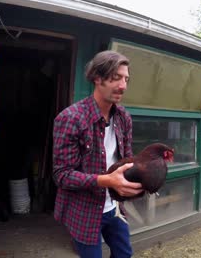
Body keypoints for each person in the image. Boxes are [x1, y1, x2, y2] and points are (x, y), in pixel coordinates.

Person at [52, 50, 143, 258]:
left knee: (124, 254)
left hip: (115, 206)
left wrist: (143, 177)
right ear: (97, 78)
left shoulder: (123, 118)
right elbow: (62, 175)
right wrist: (107, 180)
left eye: (126, 79)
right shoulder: (71, 118)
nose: (123, 86)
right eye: (116, 78)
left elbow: (126, 162)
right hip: (84, 210)